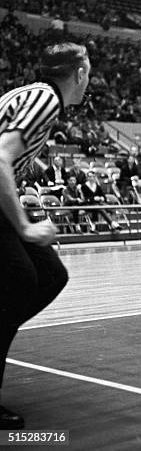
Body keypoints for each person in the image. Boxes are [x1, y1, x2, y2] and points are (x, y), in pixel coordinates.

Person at [0, 42, 90, 429]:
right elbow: (0, 155)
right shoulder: (47, 100)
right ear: (80, 74)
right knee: (21, 280)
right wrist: (23, 225)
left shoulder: (31, 94)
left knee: (49, 275)